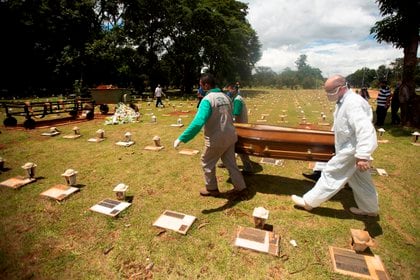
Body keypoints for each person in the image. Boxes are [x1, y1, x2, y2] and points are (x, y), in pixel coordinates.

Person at [291, 75, 379, 216]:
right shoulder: (343, 101)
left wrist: (362, 155)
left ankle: (309, 202)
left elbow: (365, 129)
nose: (327, 95)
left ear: (341, 88)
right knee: (361, 180)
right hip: (348, 146)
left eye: (330, 91)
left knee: (332, 172)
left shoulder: (353, 103)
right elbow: (342, 124)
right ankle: (370, 209)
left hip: (352, 148)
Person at [173, 73, 247, 197]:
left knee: (206, 161)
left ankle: (211, 188)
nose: (200, 87)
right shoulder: (226, 97)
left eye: (200, 85)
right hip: (230, 135)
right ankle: (241, 188)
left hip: (216, 138)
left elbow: (198, 122)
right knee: (231, 163)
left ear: (206, 85)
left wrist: (182, 137)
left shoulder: (207, 100)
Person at [226, 83, 254, 174]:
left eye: (229, 89)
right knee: (230, 145)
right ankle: (226, 162)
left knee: (240, 148)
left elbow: (235, 114)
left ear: (234, 89)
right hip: (240, 126)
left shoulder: (237, 100)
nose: (228, 92)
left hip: (240, 127)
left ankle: (248, 168)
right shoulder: (236, 98)